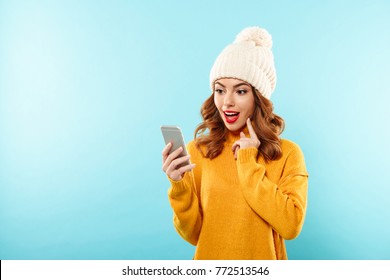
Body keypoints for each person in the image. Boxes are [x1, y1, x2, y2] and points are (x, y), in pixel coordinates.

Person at [162, 26, 308, 260]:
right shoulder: (200, 151)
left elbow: (291, 226)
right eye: (220, 90)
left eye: (240, 91)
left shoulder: (287, 154)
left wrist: (248, 162)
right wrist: (179, 186)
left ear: (258, 98)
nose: (227, 102)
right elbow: (194, 235)